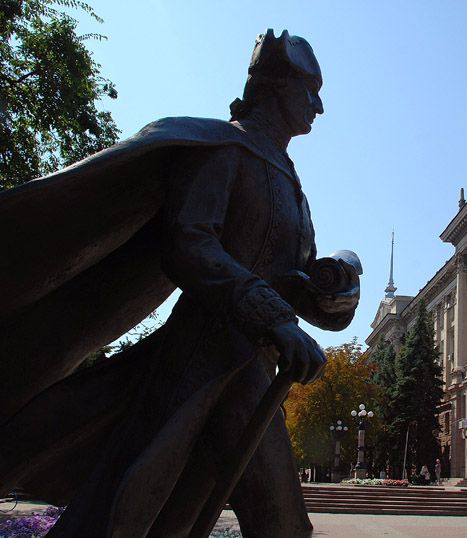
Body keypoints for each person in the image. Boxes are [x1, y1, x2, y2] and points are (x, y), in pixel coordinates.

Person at [0, 29, 359, 538]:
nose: (318, 107)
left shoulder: (293, 188)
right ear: (277, 86)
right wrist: (274, 318)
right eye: (310, 90)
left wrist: (332, 293)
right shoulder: (222, 149)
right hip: (195, 364)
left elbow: (289, 282)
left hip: (251, 372)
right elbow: (190, 243)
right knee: (129, 507)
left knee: (197, 518)